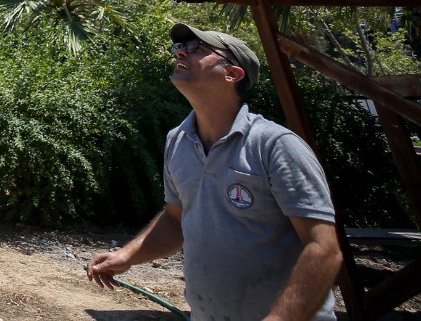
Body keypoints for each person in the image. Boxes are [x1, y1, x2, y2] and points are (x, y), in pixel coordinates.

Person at [87, 23, 343, 321]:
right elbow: (176, 219)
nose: (181, 52)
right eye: (180, 48)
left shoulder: (275, 146)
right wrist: (126, 256)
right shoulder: (178, 141)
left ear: (232, 73)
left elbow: (324, 249)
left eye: (198, 49)